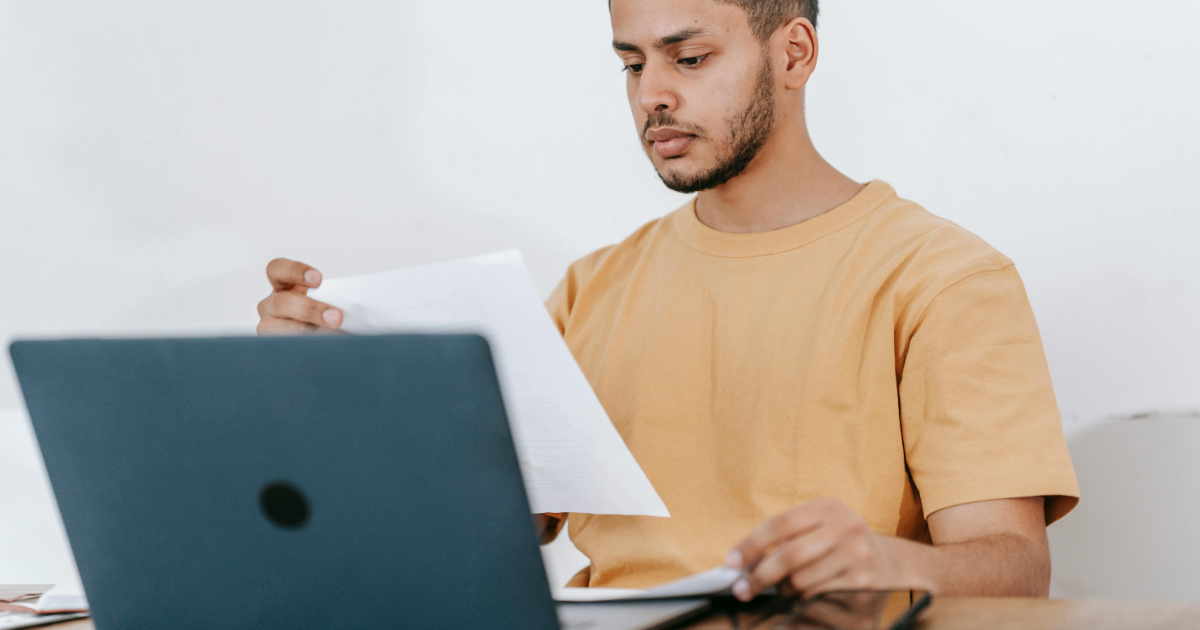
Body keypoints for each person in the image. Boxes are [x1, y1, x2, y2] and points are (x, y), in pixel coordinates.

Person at [256, 0, 1079, 600]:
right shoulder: (593, 287)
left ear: (794, 54)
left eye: (688, 59)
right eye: (631, 62)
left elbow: (1014, 567)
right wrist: (330, 401)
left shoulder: (943, 277)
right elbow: (456, 539)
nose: (652, 94)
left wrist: (896, 564)